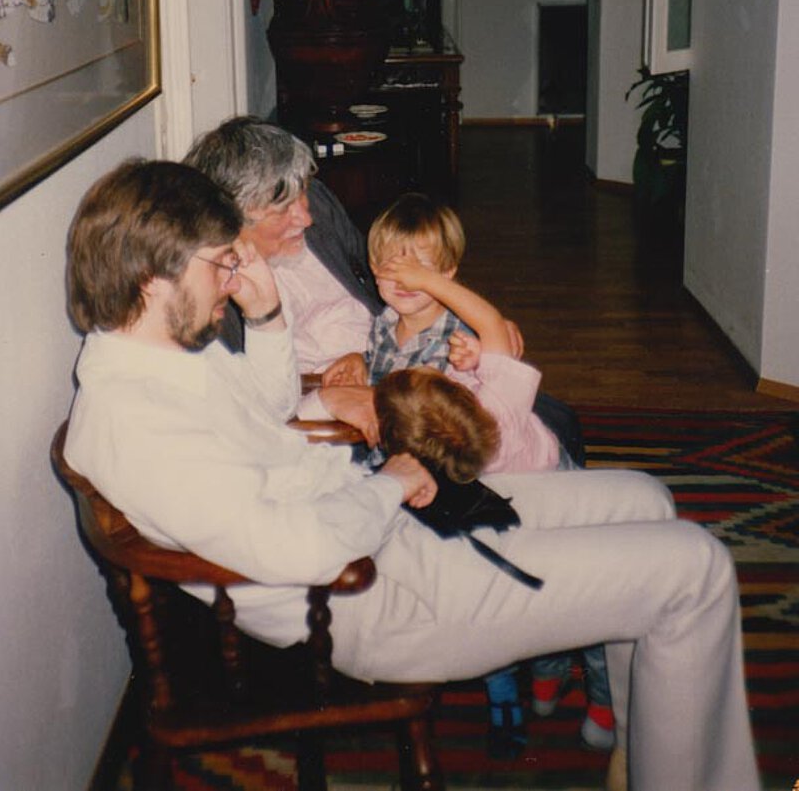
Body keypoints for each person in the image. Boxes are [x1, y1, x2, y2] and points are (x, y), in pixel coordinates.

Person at [64, 158, 762, 791]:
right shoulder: (136, 421)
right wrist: (393, 480)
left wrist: (269, 312)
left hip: (382, 526)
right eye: (220, 264)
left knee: (645, 497)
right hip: (377, 591)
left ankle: (653, 756)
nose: (232, 278)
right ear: (156, 277)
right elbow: (300, 549)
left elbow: (266, 410)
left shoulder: (158, 357)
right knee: (695, 568)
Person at [330, 191, 613, 756]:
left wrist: (476, 350)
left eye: (423, 270)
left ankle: (598, 687)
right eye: (390, 268)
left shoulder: (468, 335)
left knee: (575, 580)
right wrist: (360, 362)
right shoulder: (384, 325)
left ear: (450, 276)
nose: (404, 281)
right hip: (463, 479)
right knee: (510, 579)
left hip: (530, 471)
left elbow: (496, 338)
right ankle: (540, 667)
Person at [183, 116, 585, 464]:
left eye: (303, 194)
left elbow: (385, 277)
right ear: (232, 219)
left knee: (553, 419)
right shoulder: (223, 291)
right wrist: (331, 386)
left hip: (399, 349)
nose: (305, 217)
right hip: (359, 404)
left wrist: (475, 324)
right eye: (283, 210)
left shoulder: (315, 204)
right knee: (493, 450)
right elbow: (261, 398)